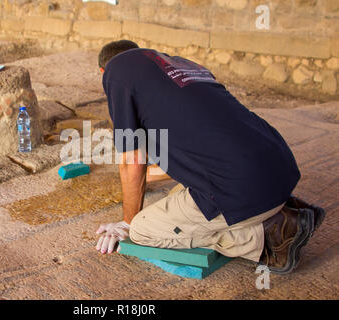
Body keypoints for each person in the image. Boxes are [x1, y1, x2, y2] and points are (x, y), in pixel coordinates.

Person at [94, 40, 326, 274]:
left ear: (103, 72)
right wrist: (135, 180)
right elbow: (182, 159)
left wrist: (127, 222)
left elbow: (132, 161)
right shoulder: (182, 66)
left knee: (142, 228)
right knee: (179, 193)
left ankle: (271, 234)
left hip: (244, 189)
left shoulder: (117, 72)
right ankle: (284, 209)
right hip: (280, 170)